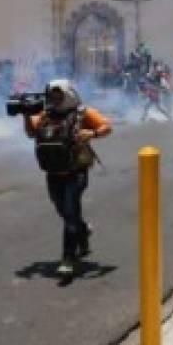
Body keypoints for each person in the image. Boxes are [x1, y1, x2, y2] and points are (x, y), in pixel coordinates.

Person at [23, 79, 112, 277]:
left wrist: (92, 133)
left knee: (71, 211)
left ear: (68, 93)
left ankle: (68, 258)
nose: (53, 99)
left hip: (75, 172)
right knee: (62, 210)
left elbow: (107, 126)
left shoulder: (83, 113)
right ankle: (83, 231)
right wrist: (26, 115)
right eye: (51, 95)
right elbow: (31, 133)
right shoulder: (46, 114)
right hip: (53, 172)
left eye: (58, 94)